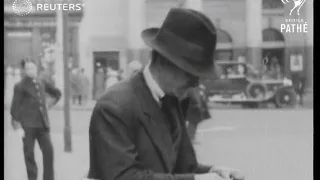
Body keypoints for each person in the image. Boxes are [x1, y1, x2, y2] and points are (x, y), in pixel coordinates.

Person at [87, 8, 244, 180]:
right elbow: (123, 176)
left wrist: (213, 171)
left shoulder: (171, 101)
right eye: (190, 73)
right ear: (164, 61)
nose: (195, 83)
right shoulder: (113, 107)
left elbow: (183, 167)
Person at [10, 59, 61, 180]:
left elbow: (57, 93)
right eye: (27, 68)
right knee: (29, 155)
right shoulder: (20, 86)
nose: (30, 70)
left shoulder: (41, 82)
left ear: (36, 68)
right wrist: (17, 126)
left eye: (32, 68)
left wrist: (49, 104)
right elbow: (15, 108)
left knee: (49, 152)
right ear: (24, 70)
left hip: (42, 125)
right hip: (27, 127)